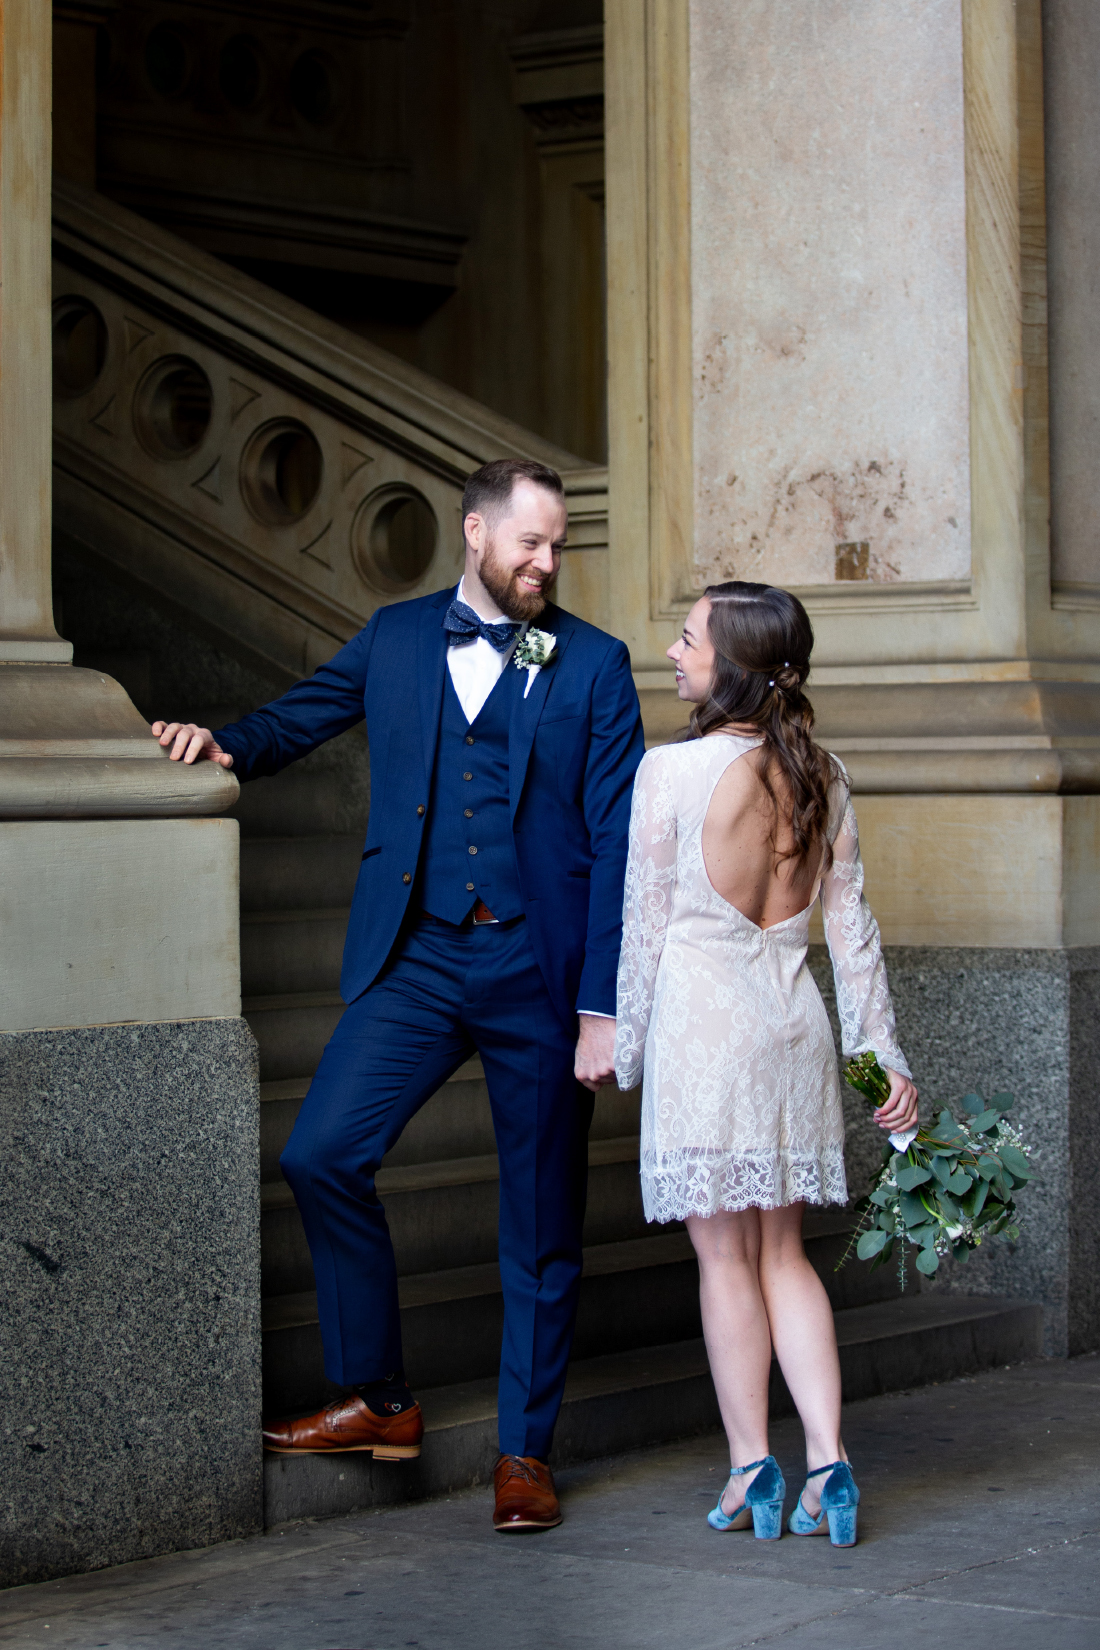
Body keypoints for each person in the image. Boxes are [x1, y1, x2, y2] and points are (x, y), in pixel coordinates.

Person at [154, 458, 645, 1532]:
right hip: (418, 959)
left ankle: (525, 1453)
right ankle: (378, 1398)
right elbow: (299, 719)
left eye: (556, 546)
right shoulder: (396, 636)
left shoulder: (590, 663)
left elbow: (618, 848)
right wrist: (219, 738)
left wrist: (603, 1003)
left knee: (540, 1220)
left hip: (540, 971)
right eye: (529, 543)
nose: (545, 564)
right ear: (474, 534)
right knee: (322, 1151)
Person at [614, 581, 918, 1548]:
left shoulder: (668, 772)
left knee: (723, 1258)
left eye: (689, 637)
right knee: (785, 1253)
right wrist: (884, 1075)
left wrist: (619, 1053)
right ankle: (828, 1460)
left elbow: (644, 930)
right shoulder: (824, 771)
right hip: (794, 1027)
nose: (672, 649)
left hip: (704, 1033)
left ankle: (753, 1464)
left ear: (733, 663)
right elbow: (854, 936)